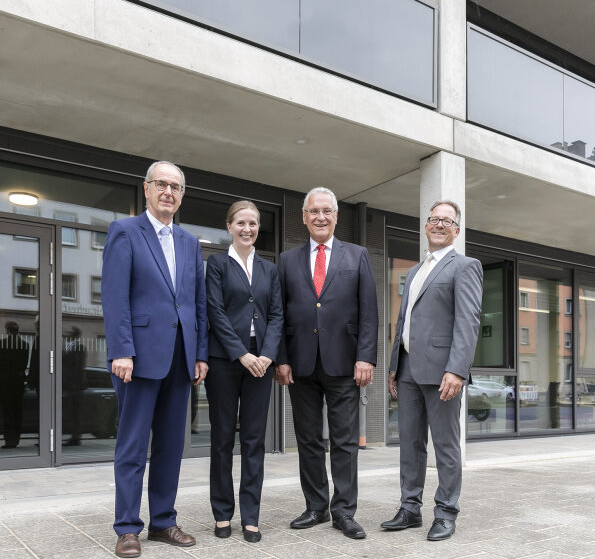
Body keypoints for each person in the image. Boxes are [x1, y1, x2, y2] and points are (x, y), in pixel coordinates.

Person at [102, 160, 209, 558]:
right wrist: (121, 350)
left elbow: (197, 303)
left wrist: (200, 354)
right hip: (138, 359)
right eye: (161, 184)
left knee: (169, 446)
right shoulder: (125, 231)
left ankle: (163, 521)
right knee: (132, 446)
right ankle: (128, 527)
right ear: (146, 189)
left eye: (176, 187)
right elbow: (114, 297)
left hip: (180, 361)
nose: (168, 191)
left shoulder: (190, 242)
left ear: (182, 196)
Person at [275, 187, 378, 540]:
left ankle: (344, 511)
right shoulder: (287, 260)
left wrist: (366, 357)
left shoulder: (358, 255)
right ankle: (316, 506)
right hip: (300, 364)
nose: (320, 217)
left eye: (327, 211)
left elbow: (369, 312)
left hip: (345, 363)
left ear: (336, 216)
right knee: (307, 440)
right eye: (314, 211)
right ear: (304, 217)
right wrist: (282, 359)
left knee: (345, 441)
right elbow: (280, 314)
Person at [381, 200, 483, 541]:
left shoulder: (465, 266)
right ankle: (410, 509)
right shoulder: (414, 271)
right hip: (408, 370)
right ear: (426, 226)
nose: (439, 224)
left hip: (443, 374)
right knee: (410, 444)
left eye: (447, 220)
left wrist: (457, 369)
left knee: (445, 445)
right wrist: (395, 366)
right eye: (434, 219)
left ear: (456, 229)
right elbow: (403, 322)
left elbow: (468, 322)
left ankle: (445, 512)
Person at [204, 200, 283, 543]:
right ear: (229, 227)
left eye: (252, 224)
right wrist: (240, 353)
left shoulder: (270, 269)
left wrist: (266, 355)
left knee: (253, 441)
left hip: (261, 365)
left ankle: (251, 516)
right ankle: (223, 513)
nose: (247, 229)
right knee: (222, 439)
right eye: (241, 223)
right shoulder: (217, 265)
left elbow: (277, 315)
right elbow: (215, 313)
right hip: (225, 361)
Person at [0, 321, 29, 449]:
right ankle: (16, 440)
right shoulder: (25, 345)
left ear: (7, 330)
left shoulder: (2, 344)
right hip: (18, 382)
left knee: (8, 412)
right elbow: (23, 365)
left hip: (5, 383)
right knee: (18, 411)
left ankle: (9, 440)